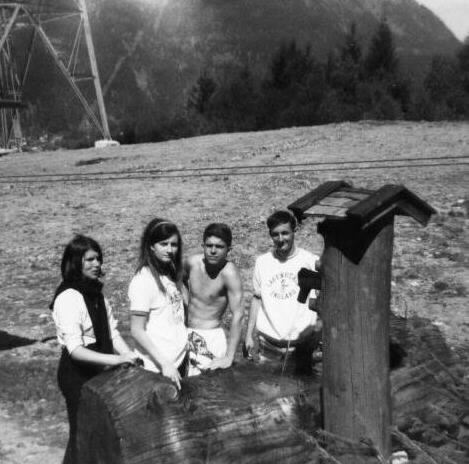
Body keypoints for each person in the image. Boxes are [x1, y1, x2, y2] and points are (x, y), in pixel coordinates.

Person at [51, 235, 139, 464]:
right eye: (89, 259)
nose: (96, 264)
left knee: (101, 436)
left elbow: (113, 333)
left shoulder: (97, 294)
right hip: (77, 376)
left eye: (98, 258)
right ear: (75, 262)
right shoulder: (68, 298)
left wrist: (129, 356)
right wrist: (115, 360)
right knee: (83, 438)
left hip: (100, 374)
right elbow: (75, 350)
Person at [244, 210, 321, 375]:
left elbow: (323, 303)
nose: (280, 239)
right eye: (275, 235)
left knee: (300, 395)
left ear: (295, 231)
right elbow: (257, 299)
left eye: (285, 233)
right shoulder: (262, 262)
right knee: (266, 393)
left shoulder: (311, 261)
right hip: (268, 346)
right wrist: (249, 334)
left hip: (301, 347)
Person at [129, 218, 187, 389]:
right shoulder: (143, 281)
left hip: (179, 360)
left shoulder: (170, 272)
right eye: (163, 244)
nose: (170, 250)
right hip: (157, 368)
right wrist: (164, 364)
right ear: (151, 246)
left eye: (174, 244)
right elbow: (136, 330)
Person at [184, 223, 244, 376]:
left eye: (219, 246)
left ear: (228, 250)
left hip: (210, 336)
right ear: (202, 245)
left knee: (209, 391)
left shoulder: (229, 273)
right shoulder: (192, 263)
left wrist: (229, 357)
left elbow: (238, 314)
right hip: (185, 332)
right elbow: (178, 281)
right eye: (209, 245)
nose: (212, 251)